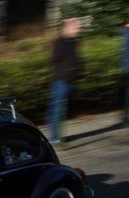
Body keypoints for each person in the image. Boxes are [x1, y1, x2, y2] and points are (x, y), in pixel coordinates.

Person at [46, 17, 82, 145]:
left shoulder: (72, 41)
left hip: (68, 81)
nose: (80, 28)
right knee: (56, 110)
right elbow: (55, 60)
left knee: (57, 110)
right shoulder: (60, 42)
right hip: (61, 82)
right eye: (77, 26)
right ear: (69, 27)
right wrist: (65, 72)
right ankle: (55, 137)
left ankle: (54, 136)